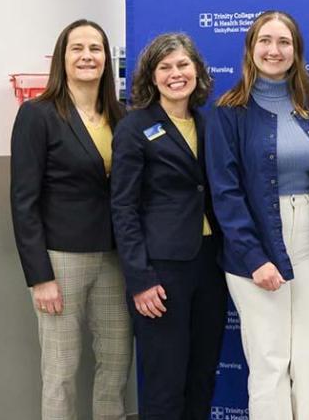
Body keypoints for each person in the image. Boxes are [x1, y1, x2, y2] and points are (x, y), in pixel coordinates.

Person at [206, 10, 309, 420]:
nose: (274, 50)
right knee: (269, 359)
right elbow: (225, 194)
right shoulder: (228, 113)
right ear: (250, 48)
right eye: (265, 40)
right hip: (257, 243)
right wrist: (253, 257)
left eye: (284, 42)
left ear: (296, 51)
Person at [10, 19, 131, 420]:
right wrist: (39, 276)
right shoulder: (37, 114)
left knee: (116, 366)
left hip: (115, 258)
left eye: (95, 48)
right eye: (77, 48)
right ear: (62, 58)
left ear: (106, 60)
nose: (87, 56)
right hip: (61, 260)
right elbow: (23, 200)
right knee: (61, 371)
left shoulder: (121, 115)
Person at [111, 33, 226, 419]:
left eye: (183, 65)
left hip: (210, 266)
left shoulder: (209, 123)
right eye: (165, 67)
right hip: (162, 270)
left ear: (197, 71)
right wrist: (140, 279)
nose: (176, 74)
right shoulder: (134, 127)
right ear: (152, 77)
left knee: (202, 375)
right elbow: (123, 207)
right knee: (164, 381)